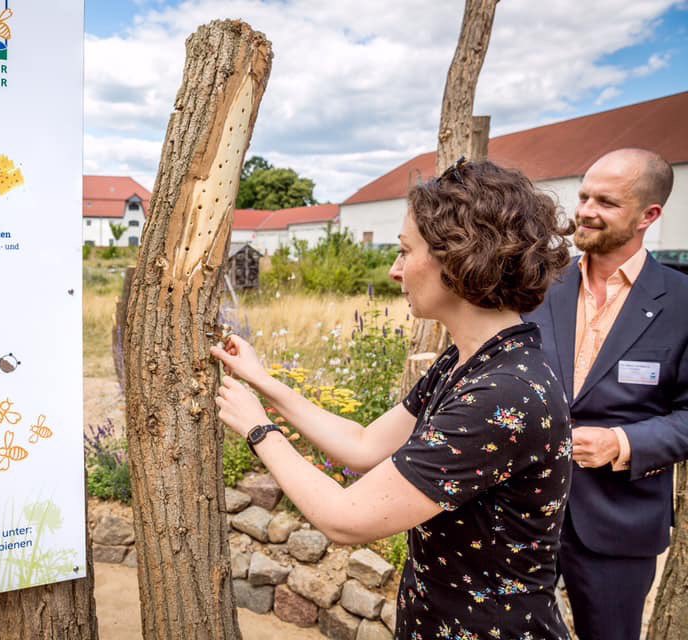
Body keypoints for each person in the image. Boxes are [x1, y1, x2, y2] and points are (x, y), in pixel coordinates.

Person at [212, 159, 575, 639]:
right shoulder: (471, 362)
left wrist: (260, 431)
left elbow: (347, 518)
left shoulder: (503, 395)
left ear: (461, 257)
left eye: (406, 252)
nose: (394, 270)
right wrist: (264, 382)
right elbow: (363, 444)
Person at [523, 148, 688, 640]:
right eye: (584, 196)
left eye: (607, 202)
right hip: (524, 511)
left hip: (619, 525)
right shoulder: (538, 284)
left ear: (649, 215)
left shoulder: (682, 302)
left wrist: (622, 443)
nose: (586, 211)